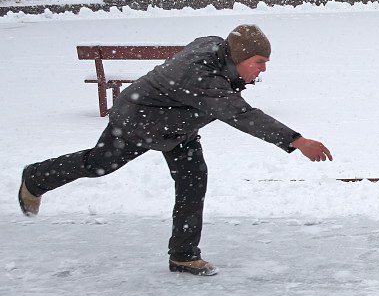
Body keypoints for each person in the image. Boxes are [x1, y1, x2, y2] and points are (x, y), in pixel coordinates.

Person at [17, 24, 332, 276]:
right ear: (238, 58)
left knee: (193, 180)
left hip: (178, 125)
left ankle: (183, 256)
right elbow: (242, 115)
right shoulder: (205, 79)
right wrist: (297, 140)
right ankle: (35, 178)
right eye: (259, 62)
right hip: (140, 120)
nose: (262, 69)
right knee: (100, 163)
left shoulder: (216, 52)